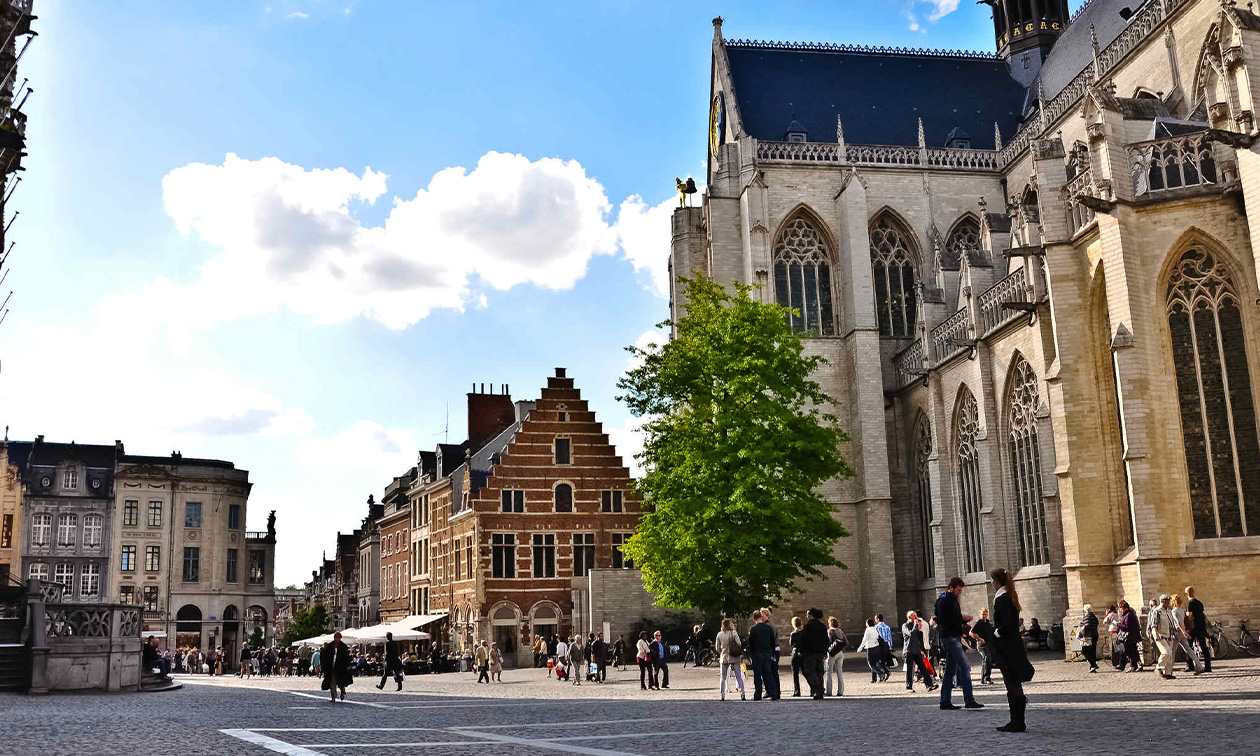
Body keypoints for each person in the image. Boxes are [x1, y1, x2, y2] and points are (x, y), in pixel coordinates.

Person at [982, 568, 1033, 733]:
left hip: (1008, 647)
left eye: (992, 580)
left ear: (996, 582)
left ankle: (1017, 722)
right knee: (1014, 683)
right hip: (1013, 646)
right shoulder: (1009, 596)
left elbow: (1007, 624)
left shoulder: (1002, 599)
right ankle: (1017, 721)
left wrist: (996, 633)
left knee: (1011, 683)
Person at [934, 576, 983, 711]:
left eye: (961, 591)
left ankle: (945, 701)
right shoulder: (944, 601)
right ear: (952, 588)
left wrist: (961, 620)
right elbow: (943, 619)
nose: (960, 593)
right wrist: (961, 619)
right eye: (958, 590)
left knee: (950, 671)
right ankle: (969, 699)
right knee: (965, 666)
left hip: (953, 637)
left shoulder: (951, 600)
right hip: (949, 638)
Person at [746, 610, 780, 700]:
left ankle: (758, 694)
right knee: (768, 674)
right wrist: (772, 652)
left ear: (754, 618)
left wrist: (751, 653)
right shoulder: (768, 628)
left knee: (757, 675)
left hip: (757, 653)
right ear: (761, 617)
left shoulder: (753, 629)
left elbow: (751, 643)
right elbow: (772, 641)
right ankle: (773, 693)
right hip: (767, 653)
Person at [902, 611, 936, 692]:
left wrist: (922, 650)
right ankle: (909, 687)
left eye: (916, 616)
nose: (916, 618)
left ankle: (929, 685)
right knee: (910, 670)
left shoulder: (917, 627)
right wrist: (915, 626)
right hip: (909, 650)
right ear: (909, 617)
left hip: (917, 650)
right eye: (914, 616)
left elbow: (919, 640)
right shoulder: (905, 626)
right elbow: (911, 634)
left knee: (923, 668)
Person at [799, 608, 828, 700]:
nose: (807, 616)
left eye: (808, 614)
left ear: (811, 615)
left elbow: (803, 640)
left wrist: (801, 651)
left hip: (809, 653)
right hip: (820, 653)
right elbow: (826, 640)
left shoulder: (808, 626)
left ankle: (819, 689)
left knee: (809, 672)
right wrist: (825, 651)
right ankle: (819, 692)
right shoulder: (822, 626)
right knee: (819, 672)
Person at [714, 617, 746, 701]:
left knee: (723, 677)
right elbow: (739, 643)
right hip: (734, 656)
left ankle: (722, 695)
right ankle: (742, 694)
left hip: (724, 657)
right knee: (738, 676)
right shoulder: (734, 633)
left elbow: (717, 647)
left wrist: (722, 652)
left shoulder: (719, 634)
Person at [1170, 594, 1202, 675]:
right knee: (1189, 649)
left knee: (1172, 651)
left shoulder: (1174, 611)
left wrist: (1184, 632)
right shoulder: (1181, 610)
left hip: (1178, 632)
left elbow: (1178, 623)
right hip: (1183, 631)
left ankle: (1169, 670)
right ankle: (1199, 666)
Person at [1148, 594, 1178, 680]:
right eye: (1167, 600)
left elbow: (1171, 623)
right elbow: (1153, 624)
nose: (1169, 602)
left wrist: (1174, 633)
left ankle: (1168, 673)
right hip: (1160, 635)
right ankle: (1159, 668)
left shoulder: (1168, 611)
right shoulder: (1157, 611)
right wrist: (1156, 634)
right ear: (1162, 601)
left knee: (1170, 655)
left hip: (1169, 635)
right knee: (1166, 652)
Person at [1185, 586, 1210, 673]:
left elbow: (1189, 616)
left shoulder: (1191, 603)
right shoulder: (1199, 603)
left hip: (1194, 627)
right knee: (1203, 646)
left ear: (1186, 594)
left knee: (1188, 645)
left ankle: (1190, 665)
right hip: (1202, 626)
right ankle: (1208, 666)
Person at [322, 632, 352, 702]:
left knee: (341, 682)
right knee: (332, 682)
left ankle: (342, 692)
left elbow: (346, 657)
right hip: (331, 667)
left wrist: (347, 665)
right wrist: (324, 649)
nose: (337, 639)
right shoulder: (330, 645)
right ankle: (333, 697)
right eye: (336, 637)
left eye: (338, 638)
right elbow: (325, 656)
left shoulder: (343, 646)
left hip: (340, 667)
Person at [857, 618, 889, 683]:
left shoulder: (868, 630)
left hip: (870, 648)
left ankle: (880, 673)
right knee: (876, 662)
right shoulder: (875, 629)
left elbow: (864, 639)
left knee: (871, 663)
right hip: (877, 647)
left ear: (867, 623)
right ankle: (874, 679)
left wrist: (860, 648)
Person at [970, 608, 996, 684]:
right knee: (987, 658)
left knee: (989, 660)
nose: (984, 616)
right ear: (980, 614)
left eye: (985, 614)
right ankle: (986, 678)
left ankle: (984, 678)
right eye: (982, 614)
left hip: (989, 644)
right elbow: (971, 633)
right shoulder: (978, 623)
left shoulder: (988, 623)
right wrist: (979, 638)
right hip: (981, 646)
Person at [825, 615, 847, 697]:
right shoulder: (840, 631)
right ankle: (840, 691)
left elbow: (829, 642)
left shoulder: (830, 631)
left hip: (832, 653)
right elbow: (846, 642)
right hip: (840, 653)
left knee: (829, 672)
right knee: (839, 672)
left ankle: (829, 691)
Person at [1117, 600, 1141, 672]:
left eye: (1121, 609)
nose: (1120, 610)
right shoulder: (1127, 615)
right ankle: (1136, 665)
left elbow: (1127, 626)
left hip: (1130, 636)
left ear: (1125, 608)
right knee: (1133, 651)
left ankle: (1133, 666)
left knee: (1129, 651)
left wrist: (1118, 624)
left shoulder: (1128, 615)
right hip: (1131, 636)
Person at [1077, 604, 1100, 673]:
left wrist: (1081, 632)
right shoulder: (1094, 616)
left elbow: (1086, 626)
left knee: (1085, 651)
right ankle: (1092, 667)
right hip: (1095, 635)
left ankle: (1093, 664)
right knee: (1092, 651)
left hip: (1089, 636)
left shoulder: (1088, 616)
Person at [789, 616, 805, 696]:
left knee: (795, 673)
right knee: (806, 672)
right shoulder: (804, 632)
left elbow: (791, 643)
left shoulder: (793, 633)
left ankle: (797, 691)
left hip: (795, 653)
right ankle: (813, 690)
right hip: (803, 653)